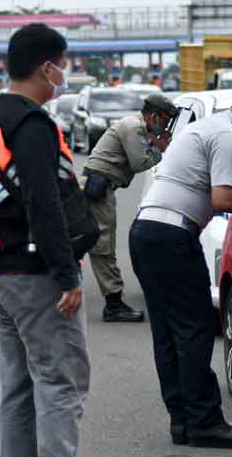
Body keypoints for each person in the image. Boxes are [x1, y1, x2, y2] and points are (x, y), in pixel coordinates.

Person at [132, 81, 232, 449]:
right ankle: (205, 423)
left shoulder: (207, 126)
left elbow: (207, 189)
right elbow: (221, 200)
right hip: (171, 238)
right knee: (196, 329)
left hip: (147, 233)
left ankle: (184, 422)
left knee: (169, 334)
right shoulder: (229, 136)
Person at [0, 24, 89, 457]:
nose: (66, 73)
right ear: (46, 67)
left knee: (18, 386)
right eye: (64, 65)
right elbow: (44, 203)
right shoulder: (33, 125)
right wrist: (66, 274)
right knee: (60, 383)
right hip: (33, 272)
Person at [82, 92, 179, 323]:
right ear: (153, 116)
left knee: (92, 242)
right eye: (165, 120)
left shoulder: (136, 126)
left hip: (101, 186)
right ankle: (113, 304)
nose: (166, 126)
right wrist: (159, 149)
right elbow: (140, 162)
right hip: (99, 188)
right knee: (103, 246)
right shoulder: (134, 127)